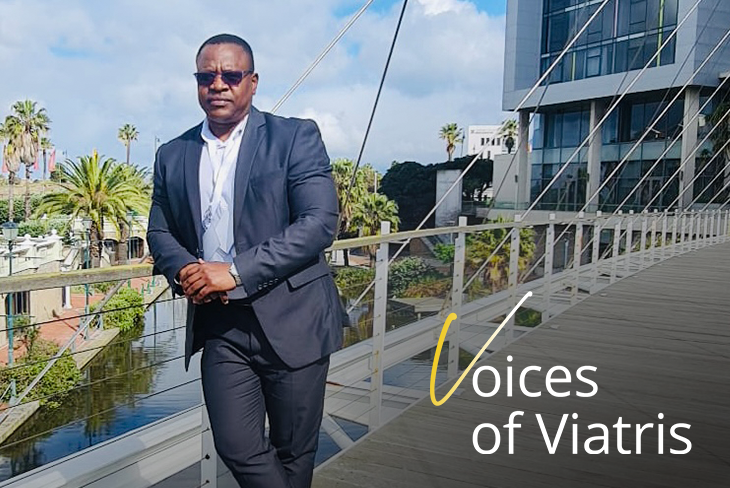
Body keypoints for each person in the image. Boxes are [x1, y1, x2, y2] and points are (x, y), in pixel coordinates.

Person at [147, 33, 344, 488]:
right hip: (221, 327)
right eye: (206, 76)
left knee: (295, 454)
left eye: (230, 75)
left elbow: (318, 224)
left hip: (294, 320)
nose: (218, 84)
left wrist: (234, 271)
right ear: (197, 83)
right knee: (236, 445)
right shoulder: (172, 154)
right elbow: (159, 231)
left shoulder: (294, 137)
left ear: (252, 83)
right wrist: (186, 270)